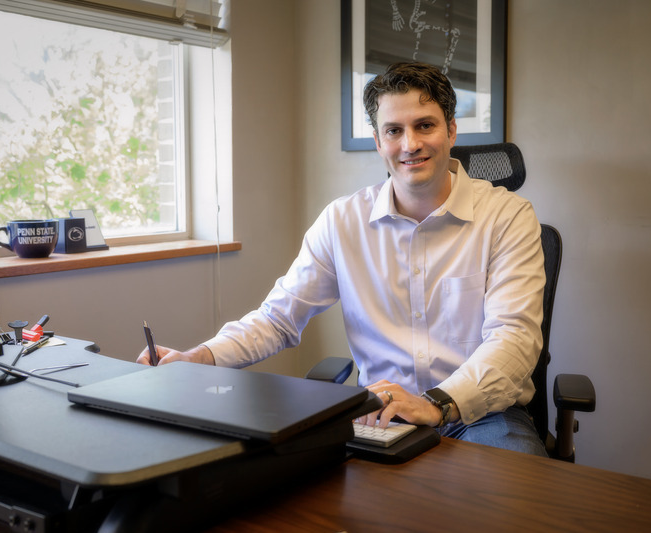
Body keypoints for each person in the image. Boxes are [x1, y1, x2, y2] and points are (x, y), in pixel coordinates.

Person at [138, 62, 548, 456]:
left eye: (425, 125)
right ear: (378, 141)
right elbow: (278, 317)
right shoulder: (342, 221)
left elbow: (513, 340)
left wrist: (438, 404)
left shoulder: (508, 217)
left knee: (517, 510)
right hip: (380, 413)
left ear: (452, 130)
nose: (410, 144)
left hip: (483, 415)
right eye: (394, 130)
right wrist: (199, 357)